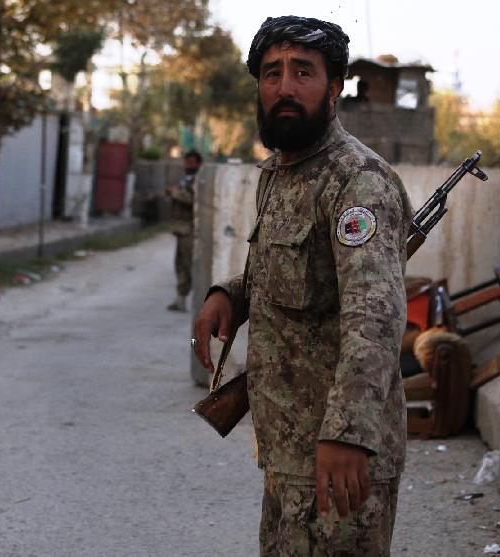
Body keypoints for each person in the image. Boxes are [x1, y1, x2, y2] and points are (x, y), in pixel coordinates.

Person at [192, 16, 413, 555]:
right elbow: (289, 270)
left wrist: (347, 433)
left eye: (303, 72)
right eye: (271, 74)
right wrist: (230, 294)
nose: (285, 88)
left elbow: (375, 317)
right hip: (287, 448)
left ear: (335, 86)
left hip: (336, 458)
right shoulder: (280, 171)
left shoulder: (357, 181)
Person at [165, 150, 202, 312]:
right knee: (180, 264)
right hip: (181, 229)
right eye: (186, 162)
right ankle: (181, 299)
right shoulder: (186, 180)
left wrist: (175, 193)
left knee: (190, 265)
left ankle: (200, 301)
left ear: (198, 164)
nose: (187, 165)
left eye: (191, 162)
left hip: (191, 229)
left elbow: (194, 200)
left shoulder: (200, 180)